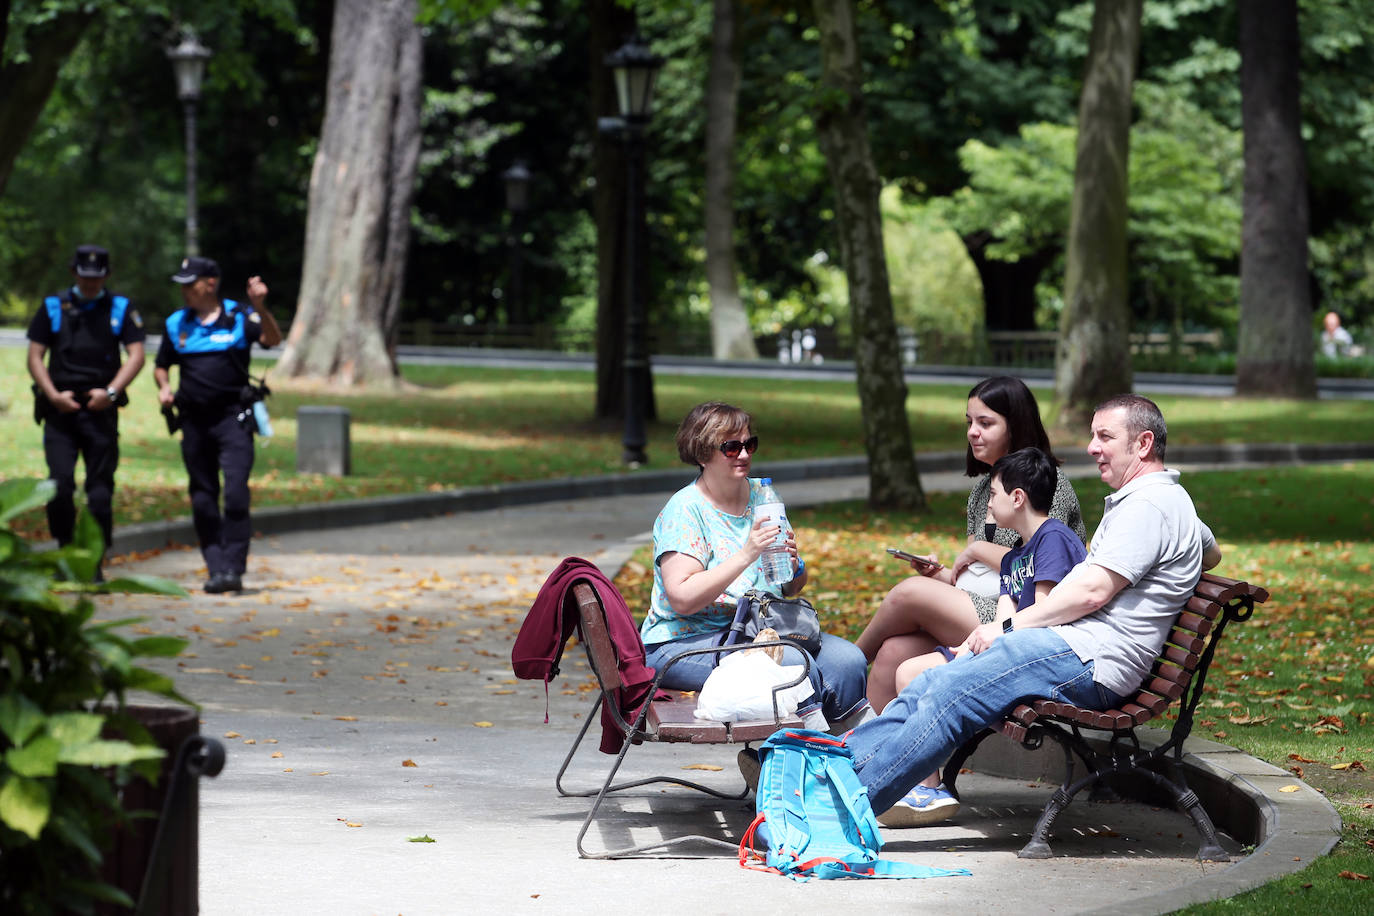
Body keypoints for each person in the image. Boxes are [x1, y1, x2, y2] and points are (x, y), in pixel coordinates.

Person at [846, 394, 1222, 825]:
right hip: (1076, 648)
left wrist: (1005, 628)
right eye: (1092, 436)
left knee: (951, 693)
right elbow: (1211, 555)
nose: (1092, 447)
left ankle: (848, 805)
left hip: (1091, 659)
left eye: (1105, 437)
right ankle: (839, 769)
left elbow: (1091, 593)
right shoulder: (1165, 500)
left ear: (1143, 444)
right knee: (933, 681)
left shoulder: (1150, 506)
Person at [880, 446, 1088, 825]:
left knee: (930, 677)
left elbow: (1041, 616)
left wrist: (987, 640)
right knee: (909, 671)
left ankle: (907, 780)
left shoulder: (1053, 538)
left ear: (1018, 498)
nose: (988, 504)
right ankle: (927, 786)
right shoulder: (1014, 557)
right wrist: (977, 641)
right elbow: (1006, 617)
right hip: (1012, 652)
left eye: (994, 495)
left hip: (1042, 662)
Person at [856, 376, 1086, 714]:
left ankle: (846, 667)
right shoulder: (982, 492)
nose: (972, 432)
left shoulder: (1048, 485)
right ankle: (865, 750)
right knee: (893, 651)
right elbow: (972, 577)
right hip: (984, 603)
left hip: (1024, 617)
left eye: (985, 422)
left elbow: (1038, 563)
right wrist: (940, 574)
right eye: (970, 422)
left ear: (1015, 426)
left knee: (909, 593)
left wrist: (976, 550)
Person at [641, 402, 872, 734]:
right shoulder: (686, 510)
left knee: (847, 661)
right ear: (703, 454)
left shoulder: (763, 498)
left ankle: (860, 753)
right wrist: (746, 553)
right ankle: (808, 756)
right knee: (793, 664)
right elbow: (682, 598)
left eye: (750, 444)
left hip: (760, 631)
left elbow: (790, 587)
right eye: (731, 447)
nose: (744, 454)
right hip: (684, 642)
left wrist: (794, 566)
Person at [154, 256, 282, 594]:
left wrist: (260, 306)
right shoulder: (176, 324)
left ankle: (234, 568)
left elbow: (272, 340)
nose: (184, 290)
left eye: (190, 283)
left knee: (237, 494)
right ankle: (217, 568)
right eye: (181, 284)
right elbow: (162, 365)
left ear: (210, 283)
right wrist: (164, 389)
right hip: (194, 422)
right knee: (202, 497)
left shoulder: (239, 317)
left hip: (233, 419)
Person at [26, 244, 146, 574]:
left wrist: (111, 392)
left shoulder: (120, 307)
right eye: (84, 276)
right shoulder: (53, 306)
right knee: (60, 485)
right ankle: (64, 552)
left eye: (97, 277)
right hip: (60, 410)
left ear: (106, 275)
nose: (91, 283)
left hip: (100, 409)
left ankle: (94, 558)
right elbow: (35, 356)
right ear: (73, 273)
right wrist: (52, 395)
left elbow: (136, 355)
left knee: (100, 491)